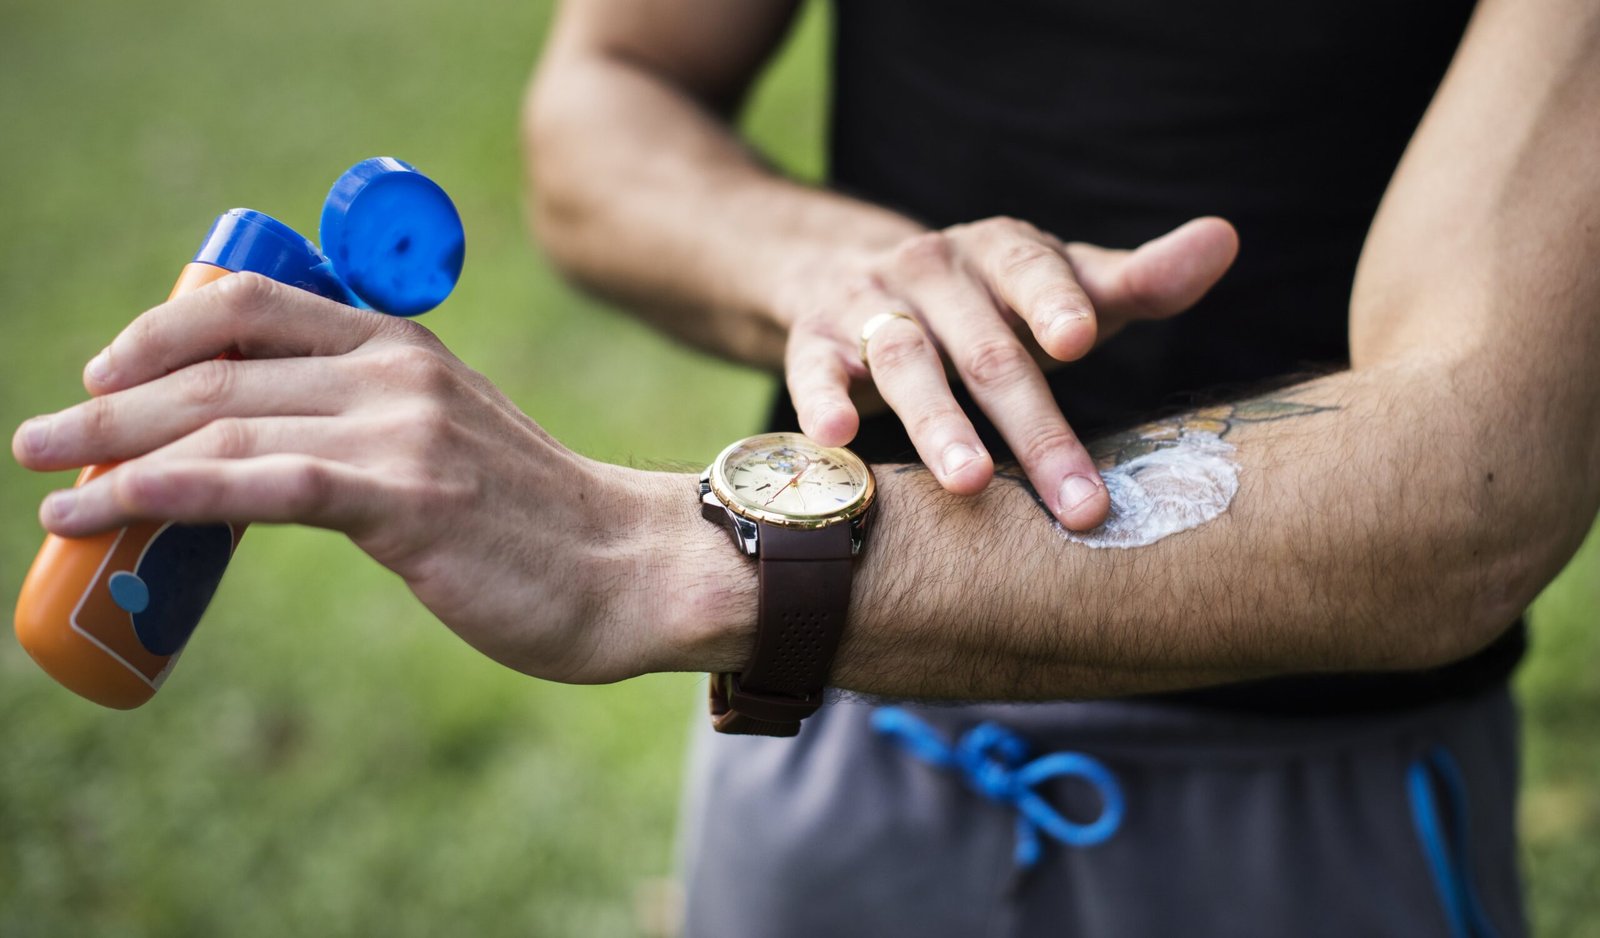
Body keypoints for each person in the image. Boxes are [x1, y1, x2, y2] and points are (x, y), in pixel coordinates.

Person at [9, 0, 1597, 933]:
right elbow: (610, 88)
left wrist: (667, 556)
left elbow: (1480, 465)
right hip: (827, 756)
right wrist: (838, 260)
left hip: (1304, 818)